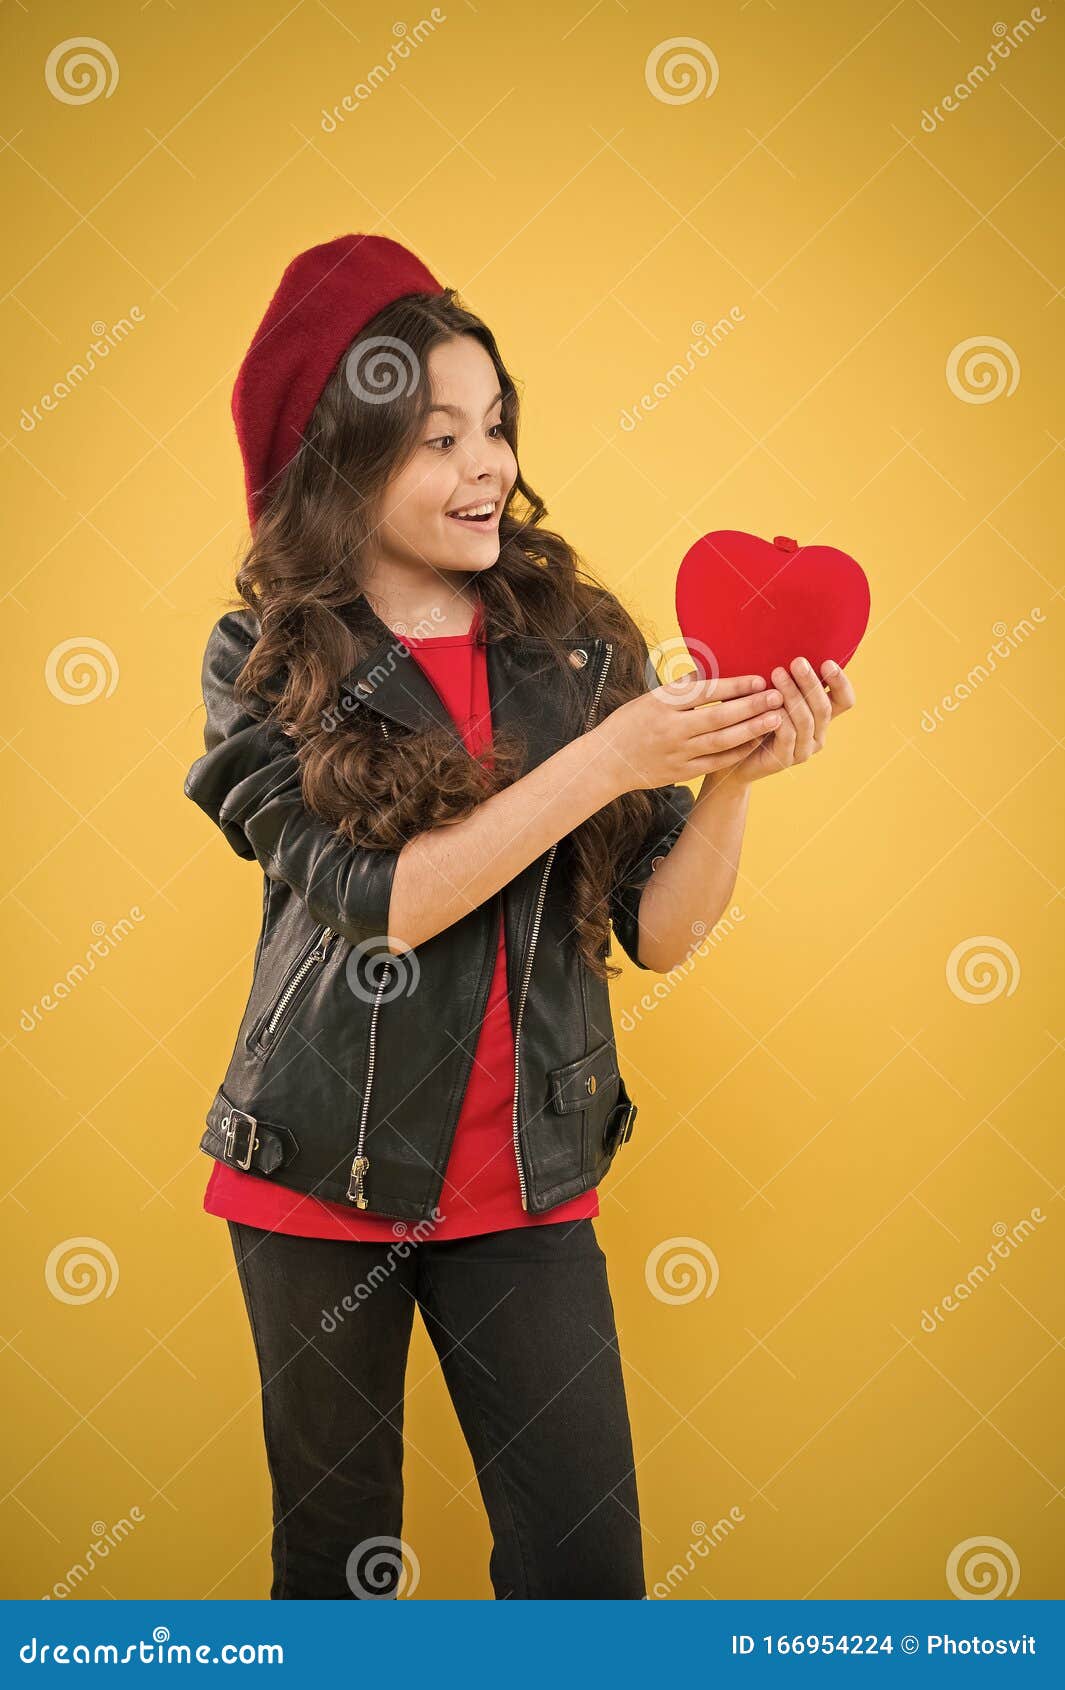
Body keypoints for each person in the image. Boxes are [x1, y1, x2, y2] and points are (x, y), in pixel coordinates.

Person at [184, 234, 856, 1600]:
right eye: (437, 438)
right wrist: (611, 758)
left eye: (494, 425)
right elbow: (385, 909)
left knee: (583, 1568)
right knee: (335, 1569)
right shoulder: (259, 660)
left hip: (525, 1186)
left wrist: (729, 776)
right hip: (319, 1175)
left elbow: (656, 934)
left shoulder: (576, 641)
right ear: (342, 456)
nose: (486, 463)